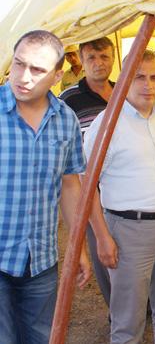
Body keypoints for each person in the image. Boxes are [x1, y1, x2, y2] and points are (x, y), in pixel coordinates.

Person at [84, 50, 155, 343]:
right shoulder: (106, 125)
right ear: (124, 80)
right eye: (139, 78)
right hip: (128, 229)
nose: (148, 85)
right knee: (128, 318)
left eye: (154, 77)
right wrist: (102, 237)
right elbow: (87, 186)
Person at [0, 30, 91, 343]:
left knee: (43, 338)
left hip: (40, 260)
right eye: (19, 64)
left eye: (37, 70)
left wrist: (77, 246)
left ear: (57, 76)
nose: (23, 77)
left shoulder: (66, 119)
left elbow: (69, 184)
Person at [59, 36, 115, 308]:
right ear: (81, 60)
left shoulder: (123, 90)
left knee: (127, 245)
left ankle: (138, 303)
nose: (98, 63)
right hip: (91, 187)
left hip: (125, 184)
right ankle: (116, 309)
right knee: (102, 245)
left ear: (113, 58)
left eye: (104, 56)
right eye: (91, 57)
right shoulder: (69, 99)